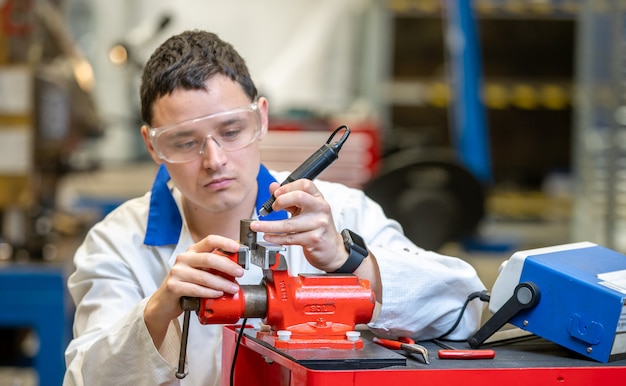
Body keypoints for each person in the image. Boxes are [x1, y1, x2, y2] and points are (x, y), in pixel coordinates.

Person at [63, 30, 486, 386]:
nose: (214, 160)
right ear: (152, 145)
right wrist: (157, 313)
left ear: (261, 119)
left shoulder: (339, 212)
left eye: (231, 131)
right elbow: (86, 377)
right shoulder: (117, 241)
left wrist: (346, 261)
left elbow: (465, 308)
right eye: (185, 142)